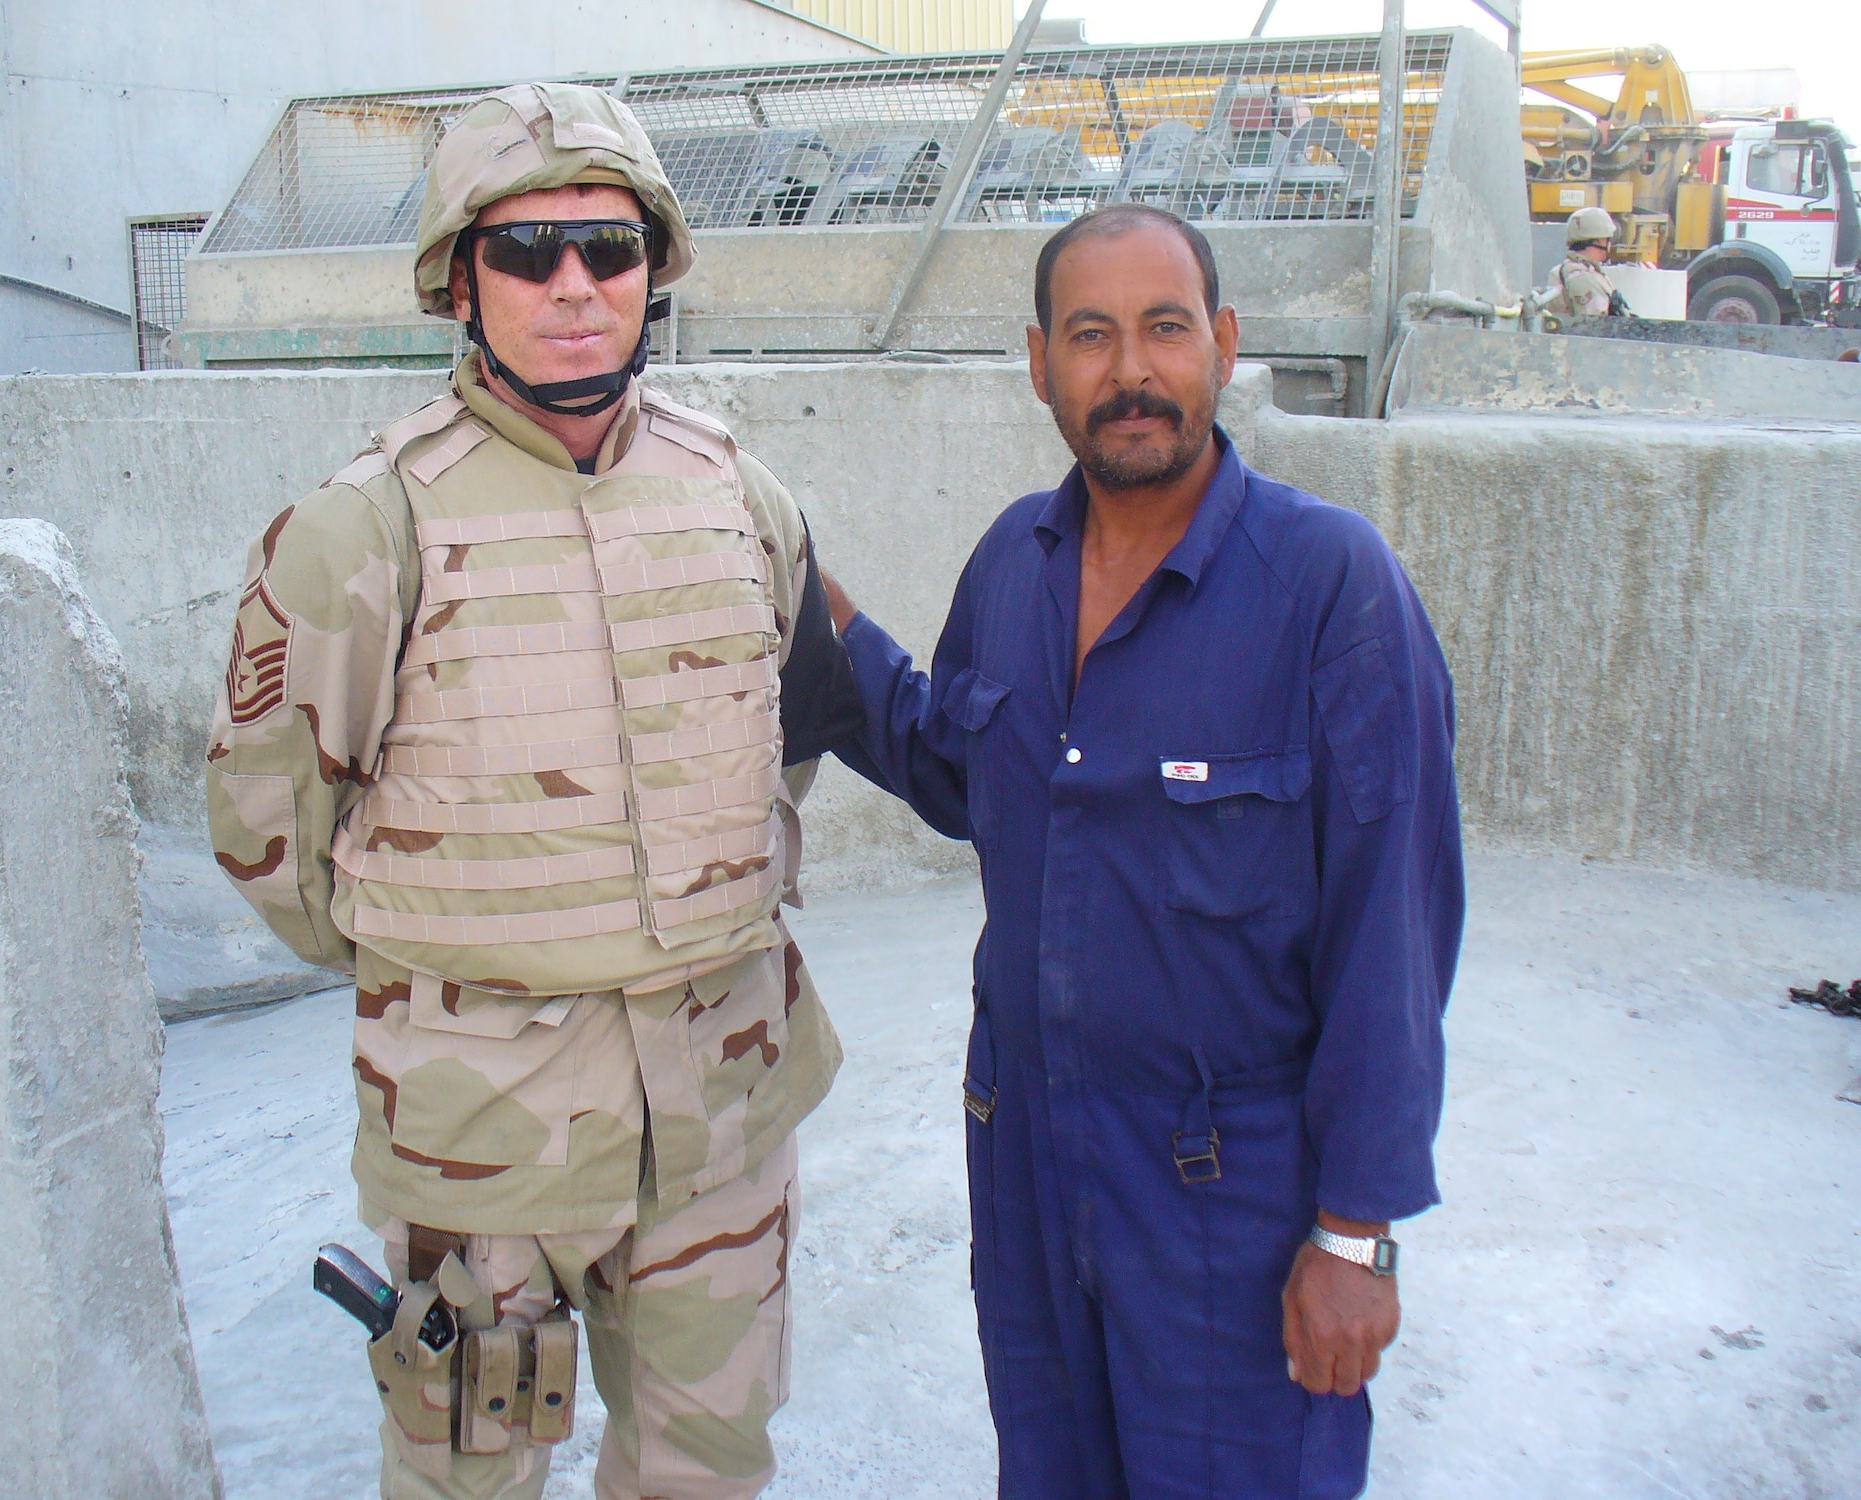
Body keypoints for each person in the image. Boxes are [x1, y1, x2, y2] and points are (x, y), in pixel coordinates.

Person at [206, 82, 861, 1500]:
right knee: (468, 1478)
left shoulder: (739, 494)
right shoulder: (363, 527)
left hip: (722, 1107)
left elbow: (783, 748)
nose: (575, 285)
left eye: (609, 248)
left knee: (707, 1469)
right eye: (526, 249)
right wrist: (473, 954)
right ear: (460, 279)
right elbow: (271, 837)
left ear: (652, 270)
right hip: (483, 1136)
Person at [819, 203, 1464, 1498]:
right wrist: (812, 615)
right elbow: (956, 769)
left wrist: (1356, 1234)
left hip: (1228, 1193)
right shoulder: (1014, 564)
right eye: (1090, 335)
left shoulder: (1330, 588)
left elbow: (1391, 933)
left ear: (1221, 343)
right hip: (1026, 1154)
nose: (1131, 372)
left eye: (1165, 329)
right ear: (1038, 363)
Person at [1547, 205, 1627, 316]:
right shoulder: (1581, 275)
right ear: (1599, 240)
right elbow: (1595, 322)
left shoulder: (1580, 271)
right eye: (1608, 239)